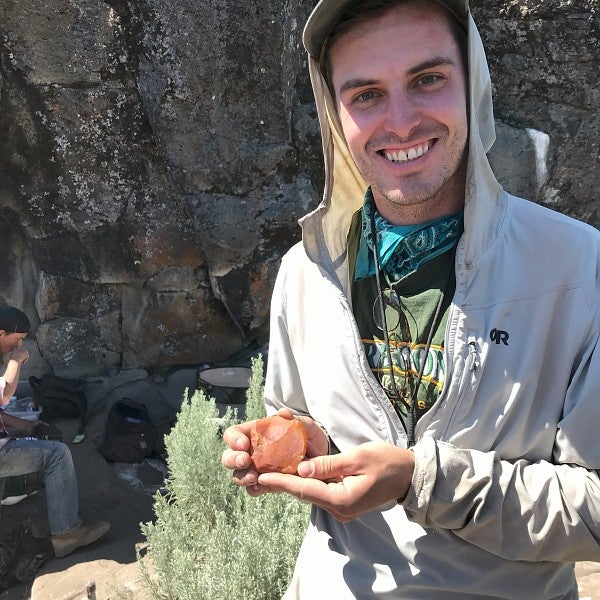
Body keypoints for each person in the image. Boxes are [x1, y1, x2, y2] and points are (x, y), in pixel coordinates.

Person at [221, 1, 600, 598]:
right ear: (335, 114)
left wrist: (419, 481)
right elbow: (299, 413)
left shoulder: (578, 269)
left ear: (472, 86)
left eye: (427, 80)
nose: (400, 121)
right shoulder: (307, 270)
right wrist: (302, 443)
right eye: (366, 93)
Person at [0, 305, 110, 558]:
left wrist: (26, 426)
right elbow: (4, 395)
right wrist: (15, 362)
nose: (18, 347)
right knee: (57, 455)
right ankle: (66, 534)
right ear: (1, 333)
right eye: (15, 341)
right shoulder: (11, 358)